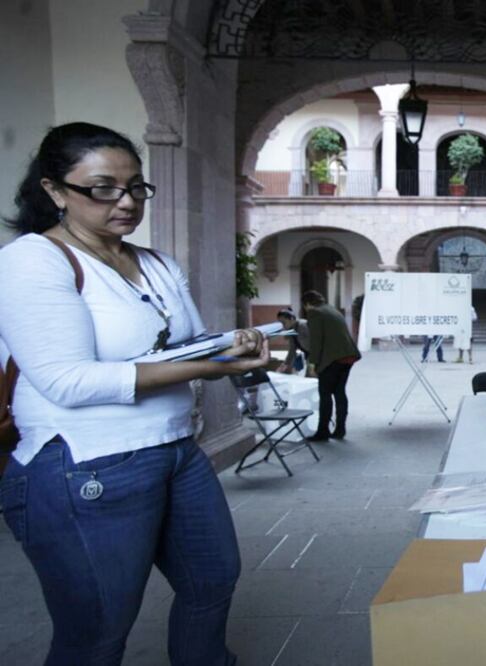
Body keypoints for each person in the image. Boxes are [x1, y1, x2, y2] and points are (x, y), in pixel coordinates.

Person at [0, 123, 270, 665]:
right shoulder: (33, 260)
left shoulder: (155, 263)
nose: (125, 202)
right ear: (55, 191)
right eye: (103, 188)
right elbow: (67, 381)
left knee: (212, 581)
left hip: (174, 447)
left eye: (136, 187)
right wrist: (204, 362)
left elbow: (190, 347)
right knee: (98, 631)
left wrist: (233, 349)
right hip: (83, 463)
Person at [301, 290, 360, 441]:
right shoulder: (332, 310)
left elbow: (316, 341)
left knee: (325, 394)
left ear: (308, 304)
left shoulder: (315, 313)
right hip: (348, 356)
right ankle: (340, 429)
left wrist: (312, 364)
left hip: (332, 358)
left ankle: (323, 431)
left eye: (305, 306)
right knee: (340, 392)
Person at [276, 307, 312, 375]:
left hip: (316, 355)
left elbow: (315, 345)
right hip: (309, 355)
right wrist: (285, 364)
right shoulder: (291, 330)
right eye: (281, 323)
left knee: (311, 376)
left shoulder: (303, 325)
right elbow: (292, 350)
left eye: (284, 323)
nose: (283, 326)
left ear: (291, 319)